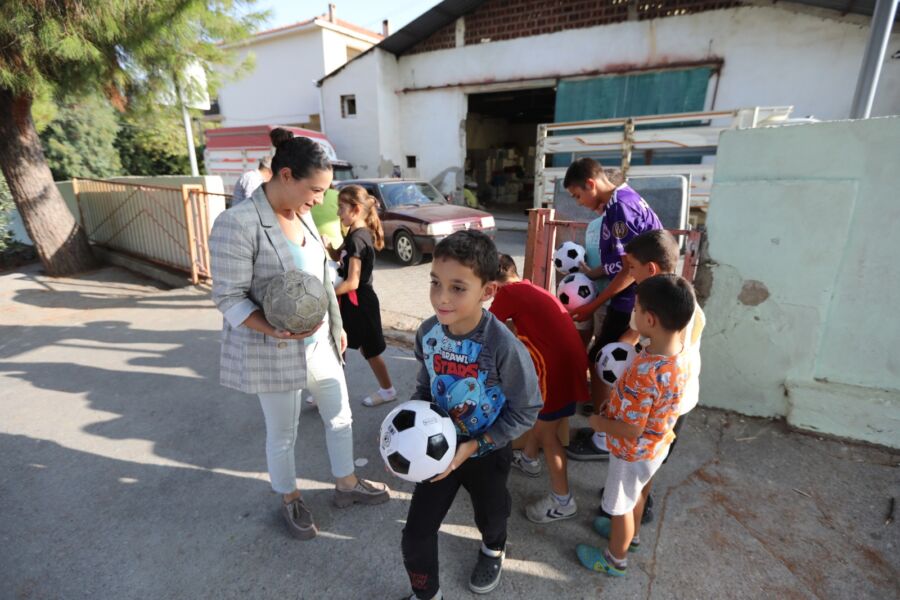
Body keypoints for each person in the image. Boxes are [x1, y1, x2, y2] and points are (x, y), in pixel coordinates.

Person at [209, 136, 389, 542]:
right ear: (286, 175)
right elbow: (228, 296)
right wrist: (273, 329)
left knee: (340, 417)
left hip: (320, 343)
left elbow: (323, 277)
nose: (320, 200)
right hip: (275, 348)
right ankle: (289, 496)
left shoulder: (302, 213)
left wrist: (337, 328)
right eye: (315, 190)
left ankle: (346, 483)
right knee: (283, 433)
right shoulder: (237, 223)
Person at [401, 231, 541, 600]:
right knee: (416, 533)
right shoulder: (428, 333)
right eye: (435, 282)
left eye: (457, 287)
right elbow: (426, 385)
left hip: (488, 451)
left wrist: (480, 443)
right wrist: (405, 434)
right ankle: (426, 594)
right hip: (437, 451)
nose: (441, 297)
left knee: (491, 516)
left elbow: (527, 408)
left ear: (488, 291)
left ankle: (494, 550)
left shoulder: (501, 345)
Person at [575, 274, 695, 577]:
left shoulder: (647, 372)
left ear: (651, 320)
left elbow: (631, 429)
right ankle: (633, 537)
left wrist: (599, 421)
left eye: (637, 309)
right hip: (656, 445)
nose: (634, 314)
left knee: (620, 506)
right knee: (638, 493)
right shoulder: (678, 353)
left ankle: (616, 558)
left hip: (632, 451)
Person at [593, 229, 707, 523]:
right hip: (680, 396)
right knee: (655, 453)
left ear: (651, 269)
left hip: (655, 396)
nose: (629, 273)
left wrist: (613, 358)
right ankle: (638, 496)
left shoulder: (648, 305)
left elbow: (632, 337)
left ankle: (627, 515)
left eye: (632, 267)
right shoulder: (685, 300)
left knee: (641, 455)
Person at [562, 158, 662, 461]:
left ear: (591, 184)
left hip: (634, 300)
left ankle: (604, 438)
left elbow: (630, 270)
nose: (579, 203)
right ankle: (606, 427)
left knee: (602, 361)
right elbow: (620, 261)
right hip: (634, 299)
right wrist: (592, 274)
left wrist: (593, 303)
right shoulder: (620, 202)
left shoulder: (620, 208)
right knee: (607, 361)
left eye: (578, 196)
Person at [490, 254, 588, 524]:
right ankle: (529, 459)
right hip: (568, 365)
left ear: (491, 282)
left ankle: (563, 500)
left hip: (554, 370)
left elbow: (485, 329)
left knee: (548, 434)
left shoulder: (507, 292)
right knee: (542, 418)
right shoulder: (528, 287)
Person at [327, 184, 396, 407]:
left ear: (356, 209)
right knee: (339, 344)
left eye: (341, 207)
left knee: (371, 350)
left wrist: (325, 294)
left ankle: (388, 391)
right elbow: (343, 258)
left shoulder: (359, 238)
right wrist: (329, 249)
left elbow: (352, 281)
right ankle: (329, 392)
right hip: (351, 301)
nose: (338, 212)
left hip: (360, 303)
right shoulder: (354, 233)